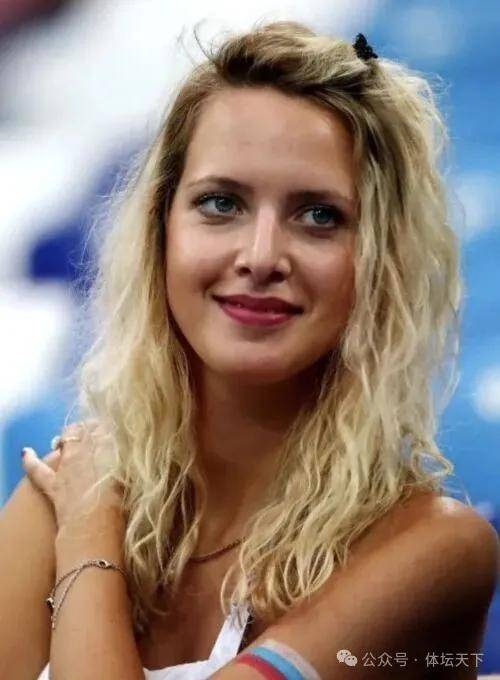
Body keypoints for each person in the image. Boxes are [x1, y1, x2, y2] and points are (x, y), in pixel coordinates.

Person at [1, 19, 499, 680]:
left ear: (381, 260)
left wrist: (90, 540)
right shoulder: (62, 495)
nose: (261, 256)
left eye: (319, 215)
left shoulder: (436, 547)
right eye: (221, 203)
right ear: (160, 231)